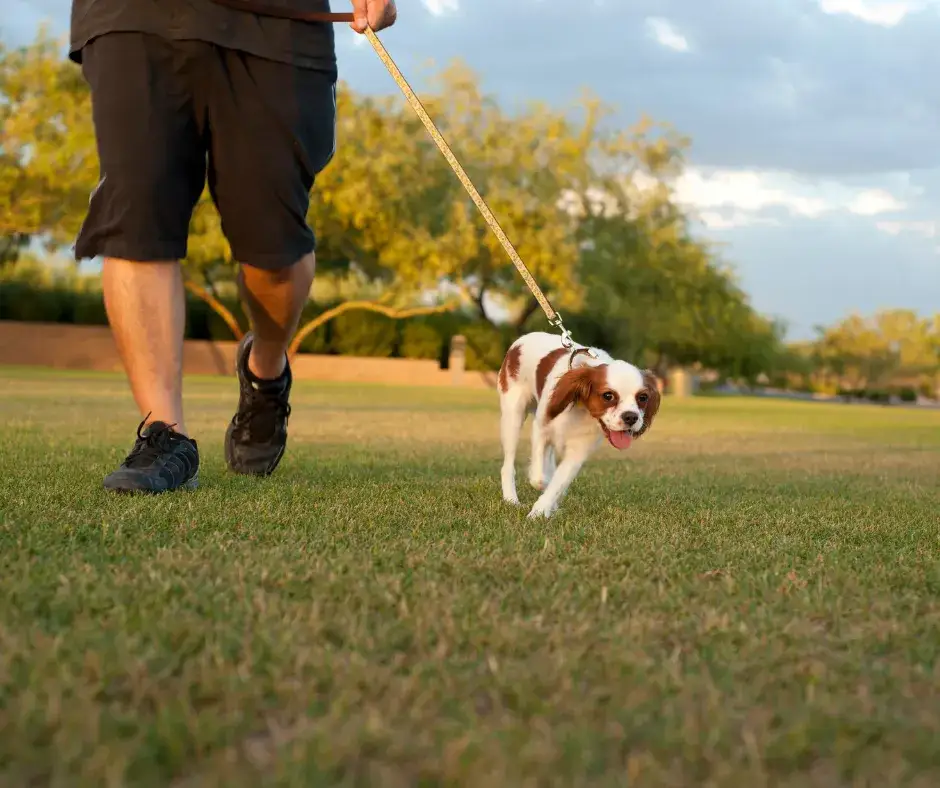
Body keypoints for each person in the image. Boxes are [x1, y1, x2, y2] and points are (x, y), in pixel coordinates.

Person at [68, 0, 398, 493]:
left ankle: (266, 366)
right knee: (137, 213)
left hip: (277, 21)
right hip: (131, 14)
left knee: (275, 248)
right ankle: (165, 435)